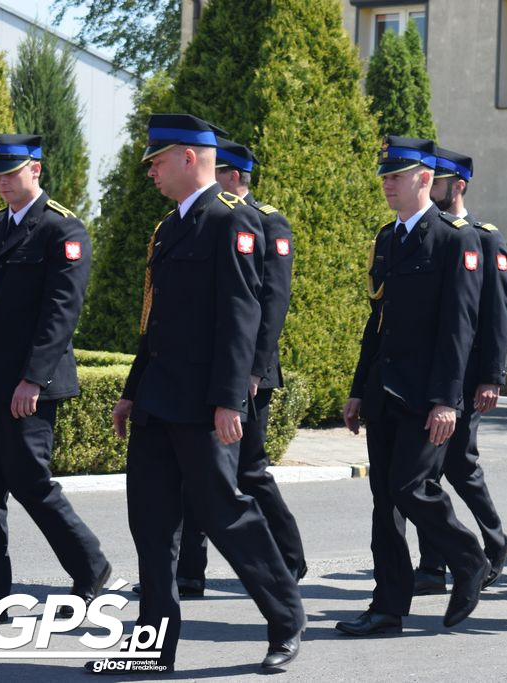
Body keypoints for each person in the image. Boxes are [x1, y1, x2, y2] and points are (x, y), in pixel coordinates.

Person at [109, 114, 304, 673]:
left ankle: (286, 618)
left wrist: (229, 402)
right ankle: (153, 645)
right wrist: (130, 391)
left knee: (226, 514)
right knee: (151, 525)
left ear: (190, 158)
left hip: (201, 404)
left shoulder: (232, 223)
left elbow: (242, 317)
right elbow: (156, 323)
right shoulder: (169, 228)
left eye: (158, 161)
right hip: (156, 402)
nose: (150, 172)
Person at [338, 136, 490, 637]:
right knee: (386, 500)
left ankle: (468, 559)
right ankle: (387, 607)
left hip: (429, 396)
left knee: (411, 487)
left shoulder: (455, 239)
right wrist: (360, 388)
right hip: (386, 390)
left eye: (396, 176)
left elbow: (459, 328)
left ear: (425, 179)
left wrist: (448, 399)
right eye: (385, 176)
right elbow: (376, 321)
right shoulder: (388, 238)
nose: (388, 184)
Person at [0, 134, 110, 624]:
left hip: (28, 383)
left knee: (31, 482)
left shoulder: (61, 230)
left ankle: (91, 568)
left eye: (11, 173)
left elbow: (60, 313)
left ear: (36, 170)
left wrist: (32, 379)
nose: (3, 182)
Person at [169, 138, 305, 596]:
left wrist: (252, 370)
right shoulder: (199, 221)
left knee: (249, 470)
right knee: (195, 470)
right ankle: (189, 571)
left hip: (249, 374)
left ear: (232, 176)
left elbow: (270, 304)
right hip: (208, 372)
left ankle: (289, 559)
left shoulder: (268, 223)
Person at [413, 147, 507, 596]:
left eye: (438, 180)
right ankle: (432, 566)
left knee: (459, 464)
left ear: (458, 186)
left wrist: (492, 376)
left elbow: (498, 313)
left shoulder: (483, 237)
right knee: (426, 470)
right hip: (428, 376)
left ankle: (495, 539)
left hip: (467, 376)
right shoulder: (426, 233)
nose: (430, 186)